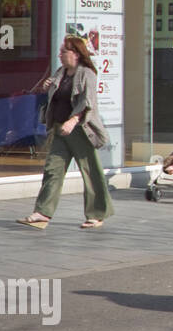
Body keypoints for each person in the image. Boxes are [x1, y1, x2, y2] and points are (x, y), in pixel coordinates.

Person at [17, 37, 114, 230]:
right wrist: (48, 87)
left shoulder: (87, 74)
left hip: (80, 130)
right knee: (53, 170)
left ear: (76, 54)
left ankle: (96, 213)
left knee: (90, 171)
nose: (60, 55)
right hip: (60, 129)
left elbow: (88, 103)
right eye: (60, 51)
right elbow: (57, 96)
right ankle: (42, 212)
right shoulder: (61, 72)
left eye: (63, 52)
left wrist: (73, 120)